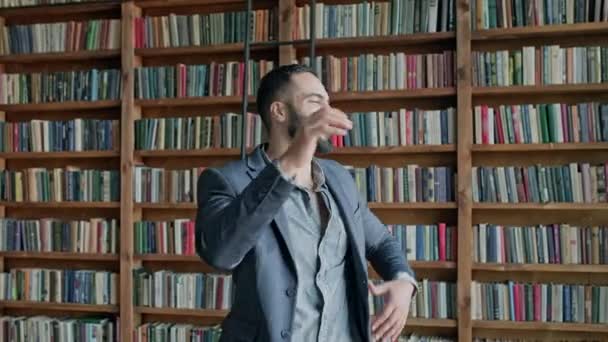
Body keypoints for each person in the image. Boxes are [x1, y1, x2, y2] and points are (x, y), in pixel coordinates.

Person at [195, 64, 417, 342]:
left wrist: (404, 282)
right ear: (279, 111)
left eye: (328, 102)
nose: (327, 111)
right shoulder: (227, 180)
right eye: (315, 102)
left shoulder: (338, 177)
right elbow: (221, 254)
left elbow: (381, 242)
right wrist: (292, 161)